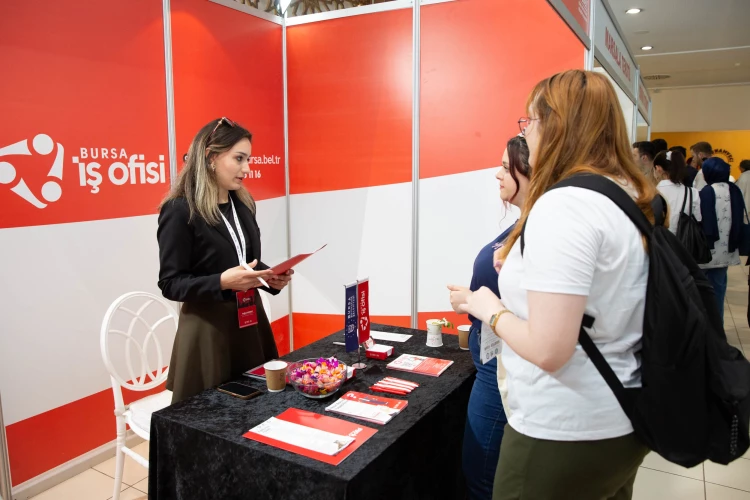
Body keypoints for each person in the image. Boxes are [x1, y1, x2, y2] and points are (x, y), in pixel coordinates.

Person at [457, 70, 653, 499]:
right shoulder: (621, 196)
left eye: (529, 122)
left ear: (557, 126)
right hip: (621, 413)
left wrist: (490, 308)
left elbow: (549, 349)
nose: (525, 133)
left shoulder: (563, 205)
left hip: (562, 426)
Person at [157, 117, 293, 404]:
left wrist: (270, 277)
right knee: (210, 416)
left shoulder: (243, 204)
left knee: (258, 409)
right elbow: (171, 283)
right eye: (239, 159)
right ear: (211, 157)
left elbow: (246, 262)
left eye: (248, 159)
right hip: (208, 332)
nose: (247, 169)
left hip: (250, 324)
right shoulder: (180, 210)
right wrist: (221, 282)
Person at [447, 135, 531, 500]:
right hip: (493, 358)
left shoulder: (540, 229)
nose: (497, 175)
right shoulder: (526, 224)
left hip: (504, 363)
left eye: (505, 167)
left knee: (482, 473)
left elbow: (525, 311)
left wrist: (478, 304)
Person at [699, 157, 743, 322]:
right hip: (727, 248)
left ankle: (706, 327)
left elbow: (703, 220)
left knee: (702, 291)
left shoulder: (707, 191)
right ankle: (718, 327)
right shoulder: (734, 190)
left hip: (707, 249)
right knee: (718, 289)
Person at [654, 150, 701, 235]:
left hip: (658, 240)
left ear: (658, 168)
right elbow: (698, 219)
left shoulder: (651, 193)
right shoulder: (692, 193)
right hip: (683, 240)